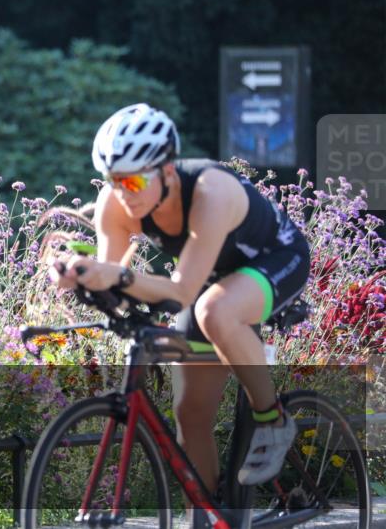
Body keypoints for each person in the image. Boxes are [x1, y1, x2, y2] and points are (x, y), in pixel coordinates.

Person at [48, 103, 311, 508]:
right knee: (190, 414)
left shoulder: (210, 191)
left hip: (274, 257)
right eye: (113, 181)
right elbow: (114, 280)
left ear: (168, 171)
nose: (122, 194)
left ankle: (272, 419)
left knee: (214, 312)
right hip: (208, 278)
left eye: (133, 183)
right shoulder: (115, 205)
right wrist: (80, 276)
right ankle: (209, 515)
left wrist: (116, 277)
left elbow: (181, 291)